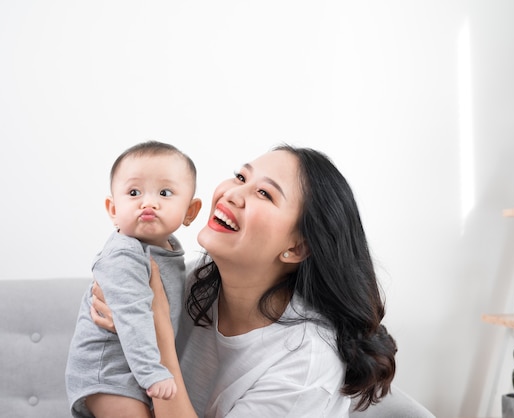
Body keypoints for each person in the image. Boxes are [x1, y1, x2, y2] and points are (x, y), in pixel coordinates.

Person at [90, 144, 397, 417]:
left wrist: (157, 331)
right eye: (240, 177)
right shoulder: (194, 281)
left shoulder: (305, 364)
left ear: (296, 248)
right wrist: (132, 324)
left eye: (264, 193)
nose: (232, 194)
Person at [65, 140, 202, 418]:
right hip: (107, 373)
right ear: (113, 209)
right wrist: (153, 372)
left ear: (190, 212)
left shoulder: (170, 252)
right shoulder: (124, 255)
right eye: (133, 192)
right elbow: (133, 315)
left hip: (138, 369)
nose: (148, 202)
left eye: (164, 192)